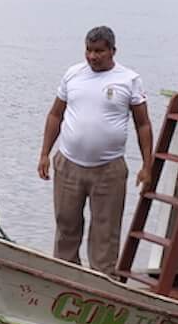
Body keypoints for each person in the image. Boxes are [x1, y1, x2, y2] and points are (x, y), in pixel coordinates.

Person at [37, 25, 154, 272]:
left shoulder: (129, 79)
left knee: (105, 231)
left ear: (113, 50)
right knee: (66, 225)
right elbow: (55, 115)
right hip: (68, 163)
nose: (92, 56)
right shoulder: (73, 75)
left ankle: (103, 281)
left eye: (99, 51)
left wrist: (147, 165)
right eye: (88, 50)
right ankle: (65, 275)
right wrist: (45, 154)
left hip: (109, 169)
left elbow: (142, 124)